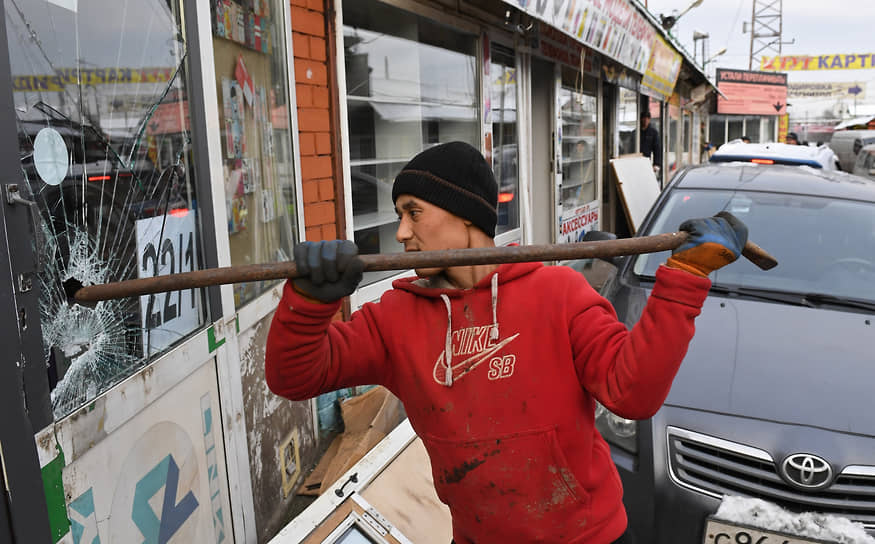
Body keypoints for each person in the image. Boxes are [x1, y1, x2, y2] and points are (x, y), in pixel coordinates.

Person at [265, 141, 748, 544]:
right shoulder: (394, 318)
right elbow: (295, 376)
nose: (401, 233)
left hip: (588, 537)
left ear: (465, 216)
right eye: (399, 215)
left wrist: (684, 277)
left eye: (414, 212)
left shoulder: (558, 295)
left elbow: (633, 393)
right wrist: (309, 303)